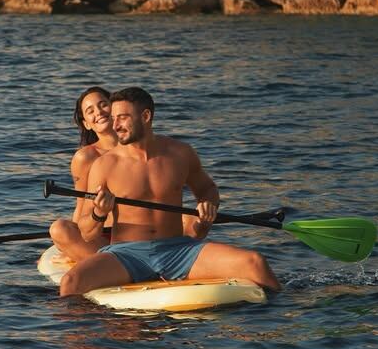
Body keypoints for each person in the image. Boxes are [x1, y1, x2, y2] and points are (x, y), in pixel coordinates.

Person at [58, 87, 280, 296]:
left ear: (145, 117)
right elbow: (87, 232)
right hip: (126, 254)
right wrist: (99, 212)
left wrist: (208, 204)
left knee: (255, 263)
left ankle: (284, 322)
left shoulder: (180, 153)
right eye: (114, 118)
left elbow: (207, 188)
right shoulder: (104, 165)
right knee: (71, 283)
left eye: (122, 118)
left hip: (179, 250)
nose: (115, 125)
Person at [47, 85, 118, 263]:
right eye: (90, 111)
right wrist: (70, 245)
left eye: (103, 104)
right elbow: (81, 205)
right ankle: (97, 260)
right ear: (86, 123)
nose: (99, 112)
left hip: (143, 232)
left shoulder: (140, 148)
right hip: (102, 236)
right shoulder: (85, 157)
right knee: (59, 229)